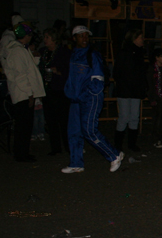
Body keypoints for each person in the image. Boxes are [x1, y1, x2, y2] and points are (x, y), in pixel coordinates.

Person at [61, 25, 124, 174]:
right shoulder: (73, 54)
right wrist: (70, 92)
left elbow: (98, 81)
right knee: (74, 132)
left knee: (89, 131)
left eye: (86, 36)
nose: (84, 38)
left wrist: (87, 94)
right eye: (81, 35)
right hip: (75, 99)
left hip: (90, 98)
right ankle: (76, 163)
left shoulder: (92, 55)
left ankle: (114, 154)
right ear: (74, 38)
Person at [2, 21, 46, 162]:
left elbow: (29, 67)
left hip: (24, 93)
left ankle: (23, 152)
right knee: (23, 126)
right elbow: (20, 75)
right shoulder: (17, 51)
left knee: (26, 125)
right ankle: (21, 154)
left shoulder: (21, 49)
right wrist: (29, 93)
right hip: (22, 94)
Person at [113, 28, 147, 153]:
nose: (143, 40)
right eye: (141, 37)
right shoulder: (124, 53)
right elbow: (118, 72)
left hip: (135, 90)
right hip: (125, 90)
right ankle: (118, 144)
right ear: (134, 39)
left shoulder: (139, 53)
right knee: (124, 117)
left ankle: (132, 144)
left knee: (134, 117)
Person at [41, 28, 72, 156]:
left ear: (54, 39)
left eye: (47, 37)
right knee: (51, 120)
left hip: (61, 91)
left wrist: (58, 71)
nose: (45, 40)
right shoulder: (43, 52)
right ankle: (55, 148)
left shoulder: (64, 52)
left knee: (64, 121)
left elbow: (70, 70)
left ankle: (69, 146)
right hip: (48, 91)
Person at [146, 48, 162, 148]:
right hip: (156, 97)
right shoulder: (152, 70)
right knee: (157, 118)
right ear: (157, 58)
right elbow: (150, 85)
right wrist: (152, 98)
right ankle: (155, 139)